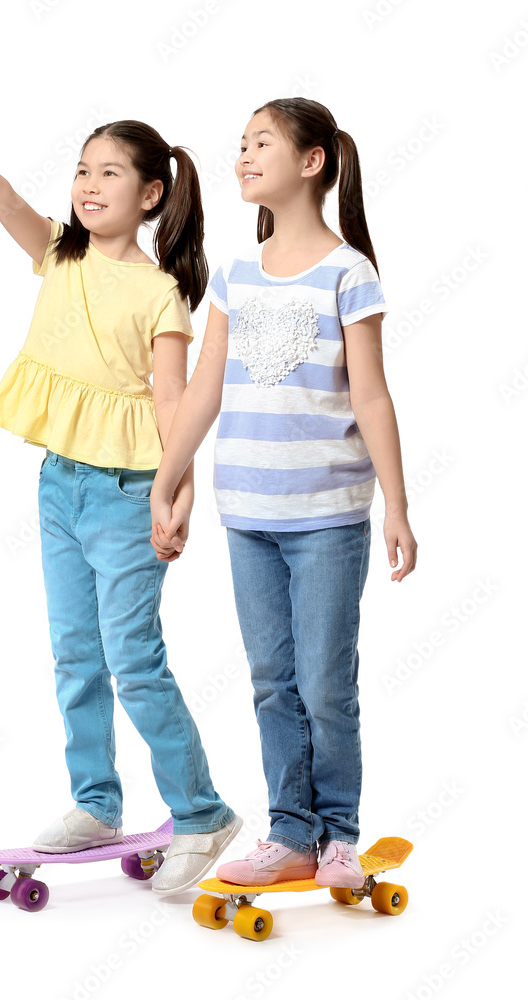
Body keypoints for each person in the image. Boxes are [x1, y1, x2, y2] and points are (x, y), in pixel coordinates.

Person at [0, 99, 240, 895]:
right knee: (76, 657)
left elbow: (172, 408)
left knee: (134, 662)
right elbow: (5, 198)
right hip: (60, 485)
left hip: (127, 495)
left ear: (150, 194)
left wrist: (175, 495)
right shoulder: (60, 254)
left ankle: (202, 812)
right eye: (82, 169)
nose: (88, 184)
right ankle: (95, 803)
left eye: (109, 172)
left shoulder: (161, 295)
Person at [149, 97, 417, 890]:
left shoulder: (347, 272)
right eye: (238, 144)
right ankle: (289, 830)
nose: (241, 156)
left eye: (259, 142)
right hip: (247, 515)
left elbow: (371, 397)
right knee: (271, 679)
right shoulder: (234, 273)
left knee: (325, 683)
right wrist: (167, 480)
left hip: (328, 517)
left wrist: (396, 506)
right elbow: (203, 388)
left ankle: (337, 833)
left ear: (311, 163)